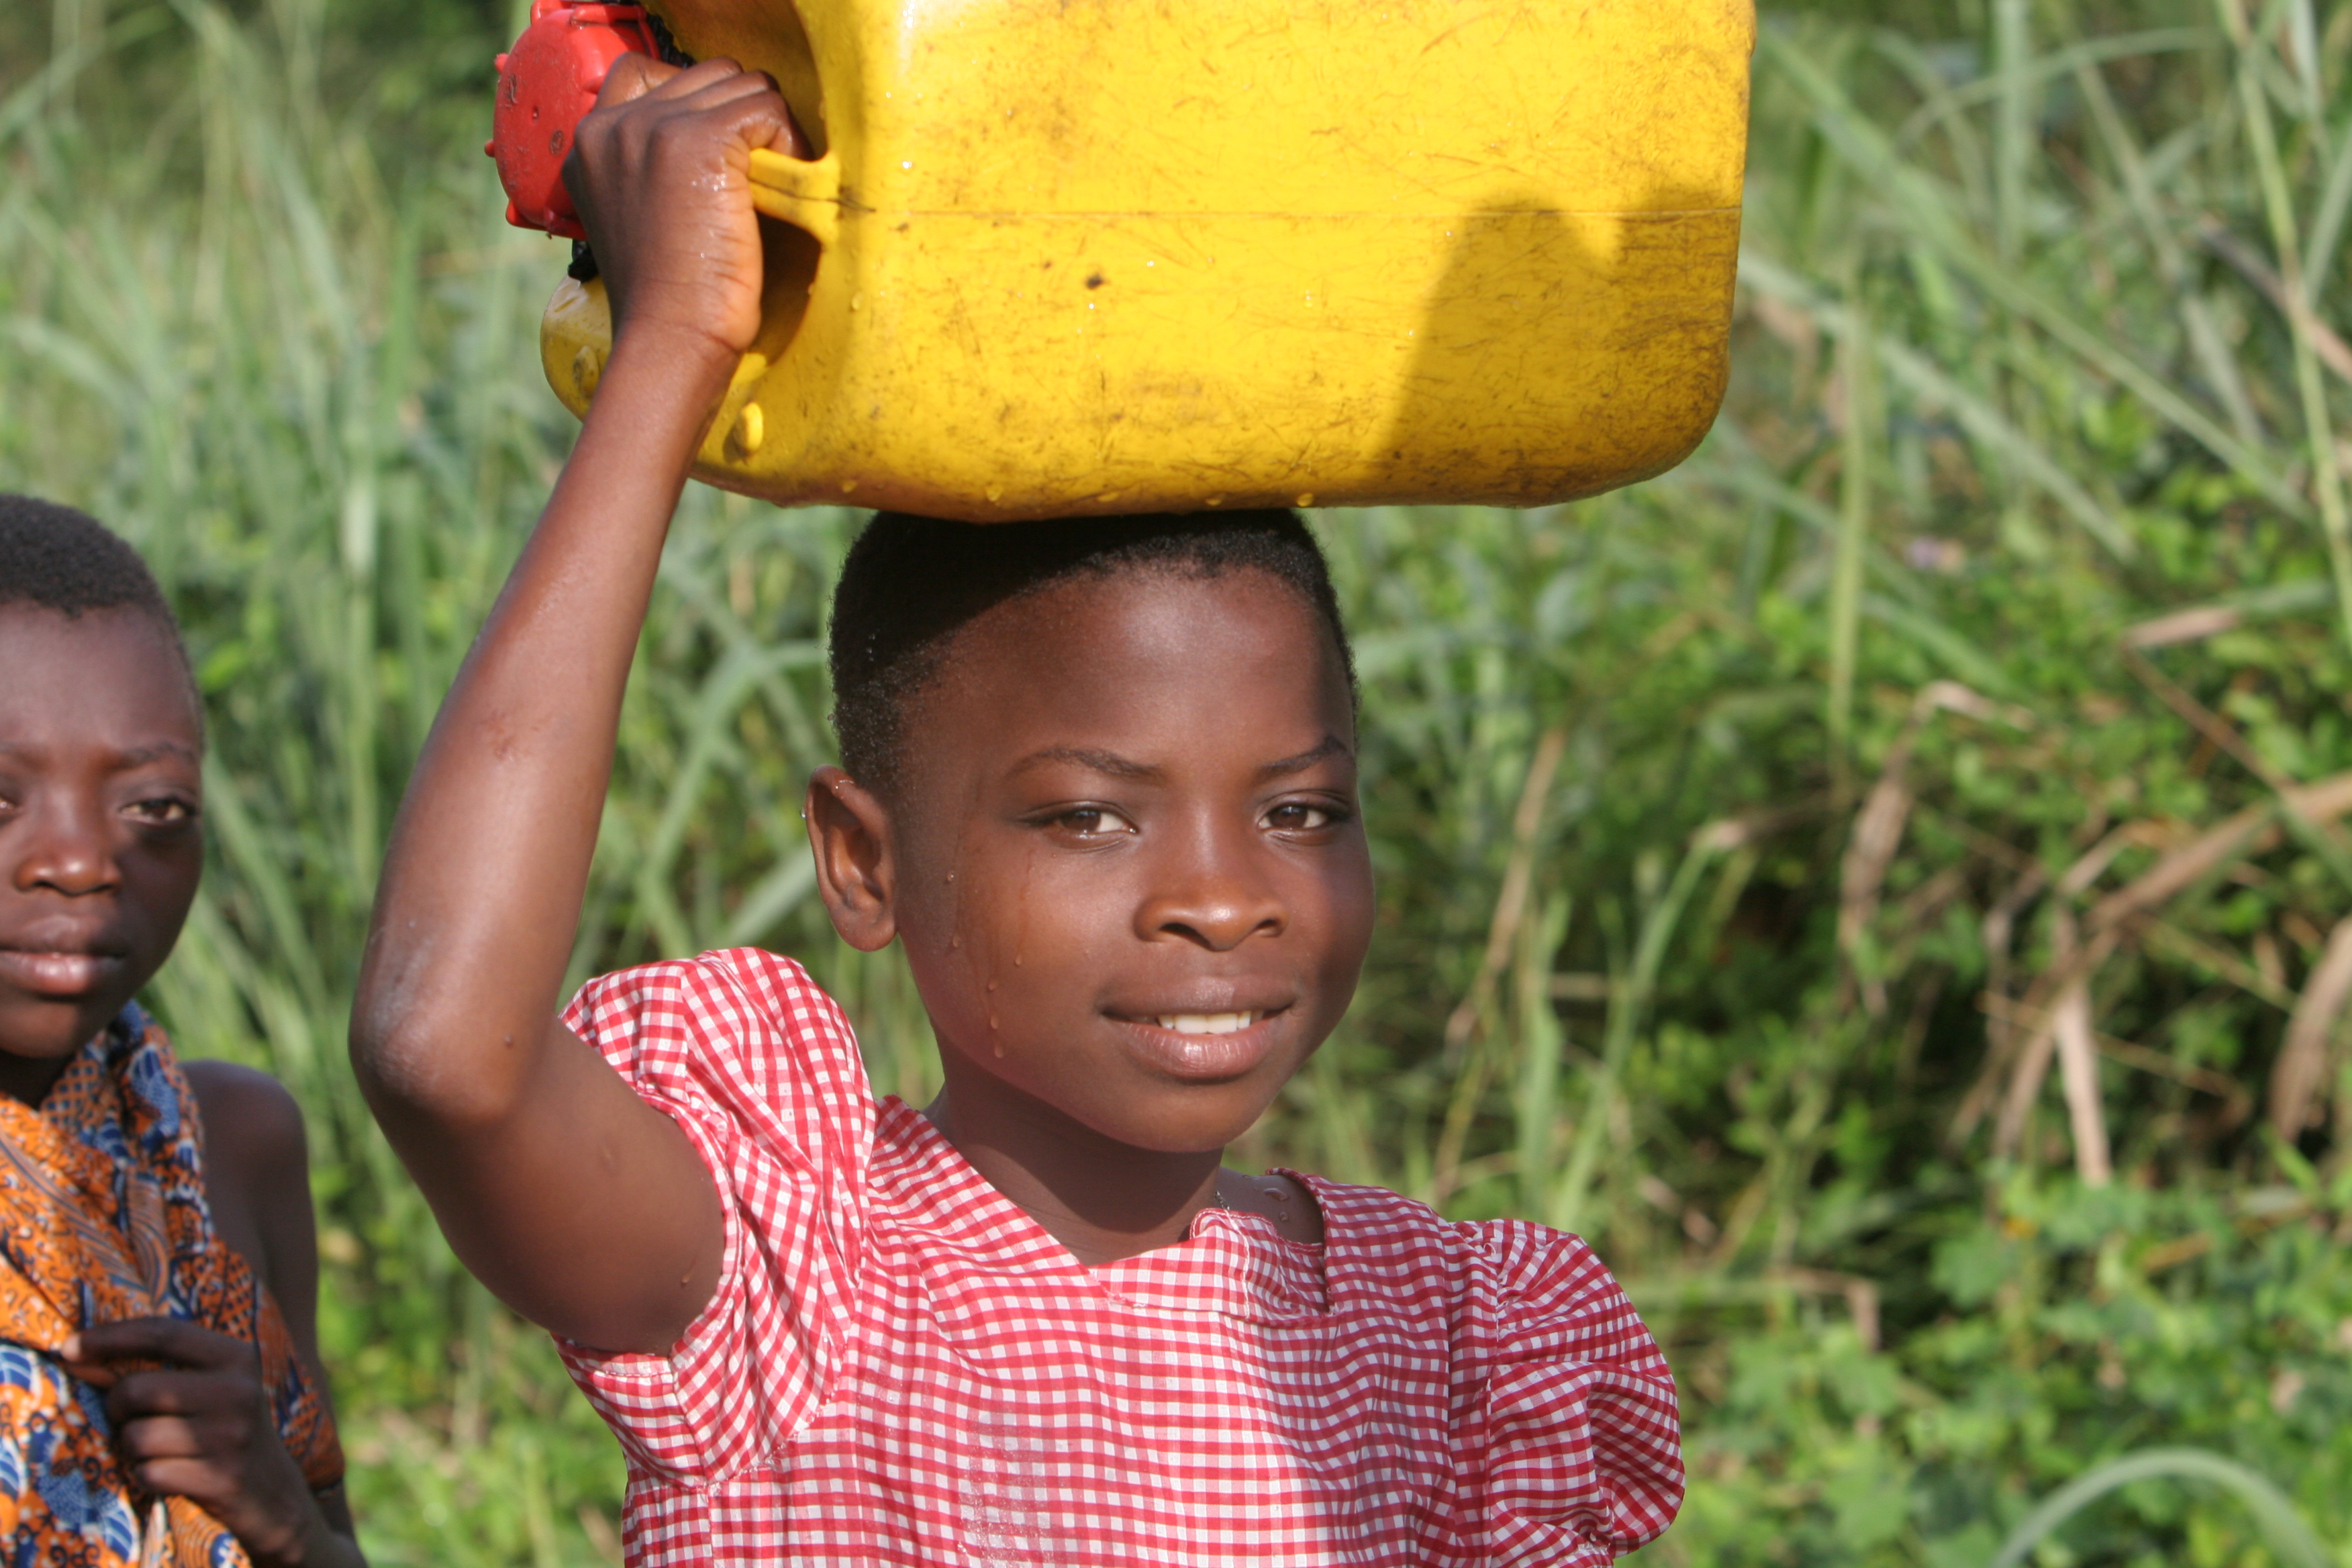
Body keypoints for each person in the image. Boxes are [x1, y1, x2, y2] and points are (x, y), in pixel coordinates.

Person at [348, 54, 1681, 1568]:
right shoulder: (794, 1284)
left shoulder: (1453, 1345)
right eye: (1091, 819)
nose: (1223, 896)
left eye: (1301, 812)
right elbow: (447, 1046)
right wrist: (672, 343)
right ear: (865, 861)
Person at [0, 497, 359, 1567]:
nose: (79, 862)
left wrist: (280, 1513)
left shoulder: (231, 1146)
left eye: (152, 808)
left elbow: (336, 1546)